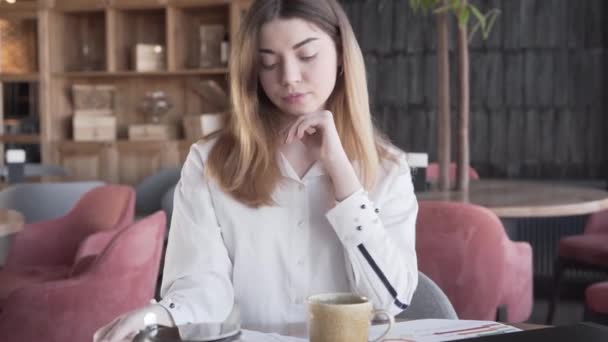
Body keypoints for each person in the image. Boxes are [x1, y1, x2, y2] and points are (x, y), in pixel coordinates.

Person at [94, 0, 418, 340]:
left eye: (306, 56)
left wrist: (342, 175)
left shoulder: (388, 169)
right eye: (268, 63)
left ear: (341, 56)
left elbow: (391, 300)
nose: (289, 77)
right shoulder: (210, 162)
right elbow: (202, 286)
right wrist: (157, 313)